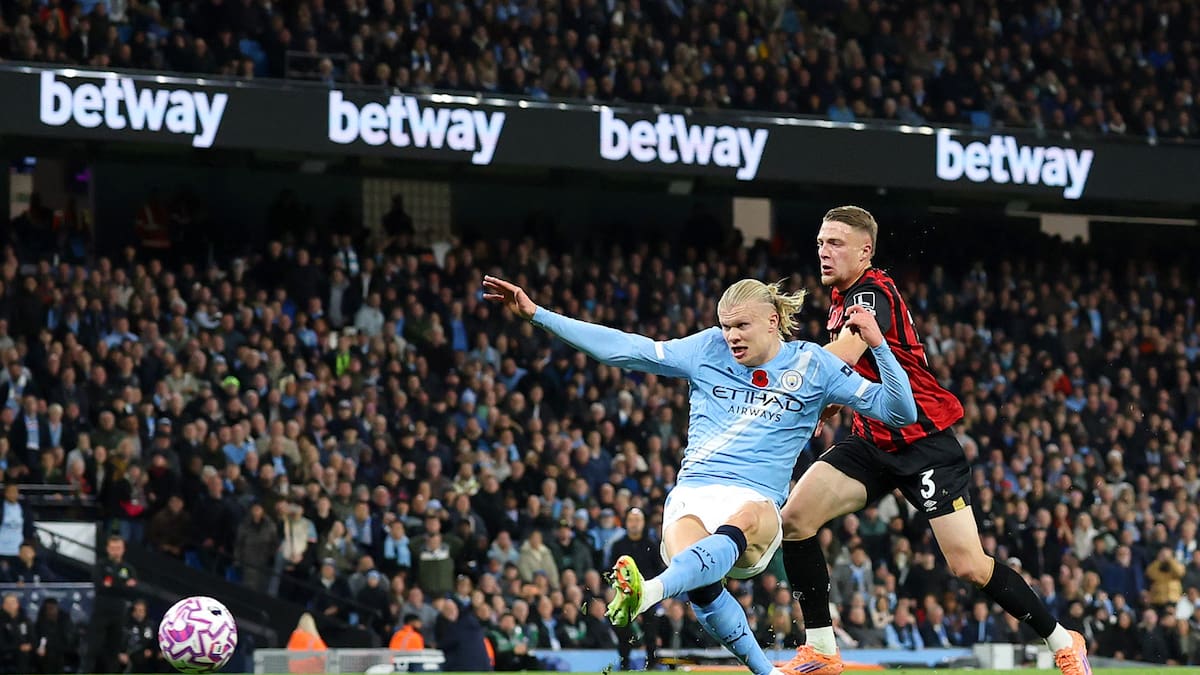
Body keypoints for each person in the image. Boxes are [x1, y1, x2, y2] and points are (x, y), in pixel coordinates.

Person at [482, 274, 916, 675]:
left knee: (748, 516)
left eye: (741, 326)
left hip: (756, 502)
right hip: (692, 493)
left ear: (772, 321)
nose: (731, 336)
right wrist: (539, 315)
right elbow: (626, 349)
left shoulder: (814, 366)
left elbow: (900, 411)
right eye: (726, 326)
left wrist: (878, 346)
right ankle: (765, 672)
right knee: (701, 587)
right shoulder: (707, 348)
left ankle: (648, 593)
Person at [777, 206, 1090, 675]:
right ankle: (821, 648)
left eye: (836, 243)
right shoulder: (841, 298)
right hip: (872, 442)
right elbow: (853, 371)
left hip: (924, 445)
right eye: (821, 241)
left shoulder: (870, 293)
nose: (824, 251)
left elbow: (843, 355)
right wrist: (831, 406)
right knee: (795, 520)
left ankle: (1064, 641)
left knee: (968, 566)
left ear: (866, 251)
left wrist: (779, 383)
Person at [608, 507, 664, 670]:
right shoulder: (618, 546)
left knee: (650, 630)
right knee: (623, 630)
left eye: (637, 520)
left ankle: (652, 664)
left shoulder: (651, 545)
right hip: (624, 594)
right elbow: (612, 570)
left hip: (648, 592)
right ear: (626, 523)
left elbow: (659, 570)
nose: (634, 524)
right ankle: (624, 663)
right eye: (631, 520)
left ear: (643, 523)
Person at [88, 535, 138, 674]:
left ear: (123, 549)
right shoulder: (100, 565)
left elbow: (133, 590)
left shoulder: (128, 568)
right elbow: (100, 586)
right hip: (100, 612)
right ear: (107, 549)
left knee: (114, 649)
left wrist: (112, 585)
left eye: (118, 548)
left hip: (119, 613)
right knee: (94, 648)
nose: (116, 551)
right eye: (113, 548)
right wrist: (122, 585)